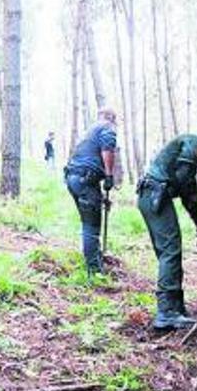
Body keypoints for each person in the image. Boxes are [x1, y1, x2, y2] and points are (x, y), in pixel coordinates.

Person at [136, 128, 197, 330]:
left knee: (168, 251)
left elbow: (190, 198)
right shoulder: (194, 143)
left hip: (150, 196)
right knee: (170, 250)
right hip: (154, 195)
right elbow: (185, 183)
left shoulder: (190, 158)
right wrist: (193, 199)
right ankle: (166, 312)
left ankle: (176, 307)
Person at [64, 109, 118, 275]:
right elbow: (107, 150)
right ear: (112, 119)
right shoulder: (107, 128)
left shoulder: (89, 131)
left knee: (89, 221)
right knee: (91, 225)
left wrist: (101, 197)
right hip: (85, 180)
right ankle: (94, 271)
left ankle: (94, 258)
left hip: (74, 178)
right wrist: (109, 175)